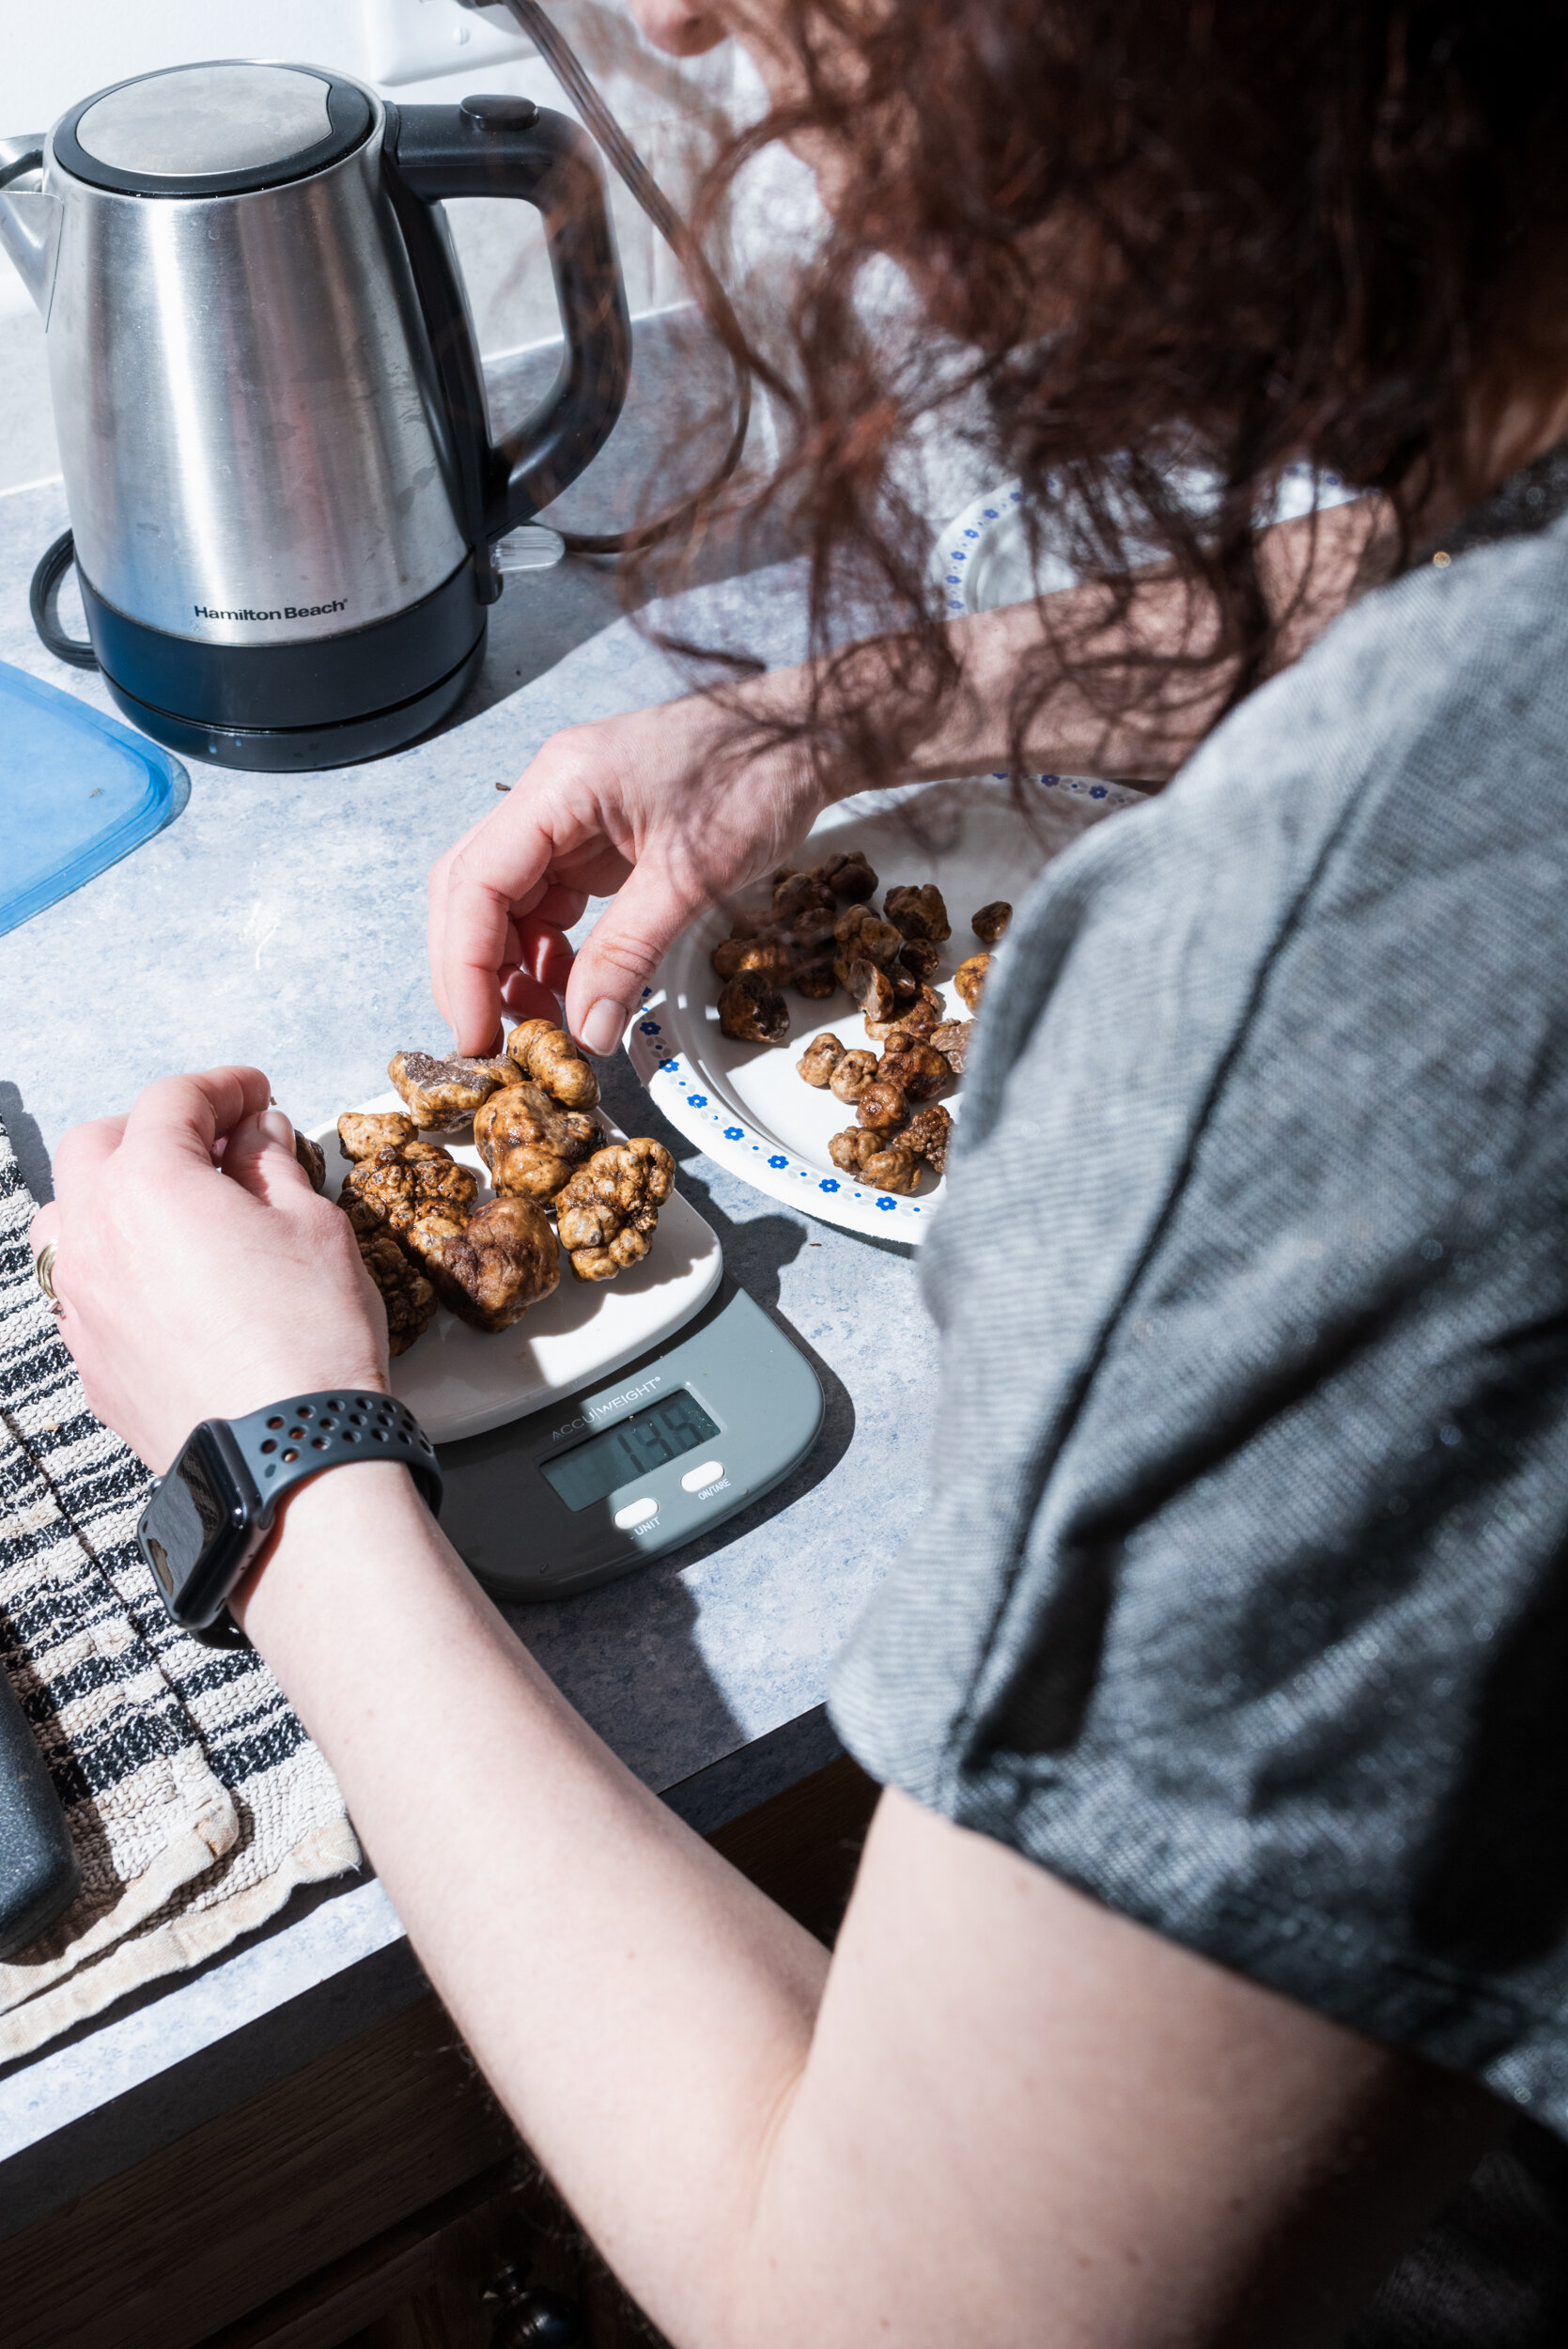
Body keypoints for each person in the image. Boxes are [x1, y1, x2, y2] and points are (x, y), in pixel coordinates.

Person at [30, 3, 1568, 2339]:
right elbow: (1477, 564)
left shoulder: (1366, 998)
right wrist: (849, 713)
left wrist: (280, 1469)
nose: (681, 31)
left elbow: (880, 2309)